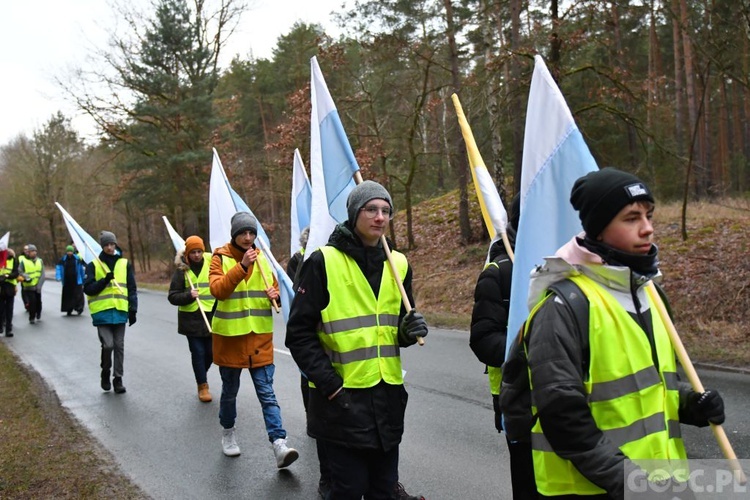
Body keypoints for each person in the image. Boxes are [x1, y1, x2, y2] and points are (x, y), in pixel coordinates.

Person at [524, 168, 725, 499]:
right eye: (632, 218)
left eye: (649, 215)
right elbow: (564, 420)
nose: (647, 228)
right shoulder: (563, 306)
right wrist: (634, 485)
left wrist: (691, 404)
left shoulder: (650, 294)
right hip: (595, 490)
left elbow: (654, 386)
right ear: (599, 230)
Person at [286, 180, 428, 500]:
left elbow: (392, 331)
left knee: (384, 490)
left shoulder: (399, 263)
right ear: (354, 214)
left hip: (387, 401)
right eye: (371, 210)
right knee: (348, 490)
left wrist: (408, 331)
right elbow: (298, 334)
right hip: (341, 403)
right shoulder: (322, 262)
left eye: (386, 211)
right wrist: (331, 385)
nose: (380, 217)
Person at [209, 211, 299, 468]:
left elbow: (272, 296)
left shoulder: (264, 260)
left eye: (252, 233)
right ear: (234, 235)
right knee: (229, 393)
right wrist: (242, 266)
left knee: (267, 394)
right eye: (243, 233)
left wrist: (276, 295)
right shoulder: (219, 258)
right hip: (230, 339)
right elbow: (219, 291)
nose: (248, 238)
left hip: (259, 338)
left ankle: (279, 444)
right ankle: (228, 433)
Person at [469, 196, 537, 500]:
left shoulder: (577, 269)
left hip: (577, 402)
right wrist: (535, 354)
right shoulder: (500, 273)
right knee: (530, 486)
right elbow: (484, 339)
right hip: (519, 401)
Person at [83, 231, 138, 394]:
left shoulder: (124, 264)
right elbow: (88, 289)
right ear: (102, 246)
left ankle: (118, 379)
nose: (109, 247)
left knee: (119, 346)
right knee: (108, 345)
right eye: (106, 245)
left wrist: (133, 309)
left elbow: (132, 288)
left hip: (120, 311)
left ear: (115, 245)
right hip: (102, 313)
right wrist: (104, 280)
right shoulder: (94, 265)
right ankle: (105, 371)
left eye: (112, 244)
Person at [168, 235, 215, 402]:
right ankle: (202, 385)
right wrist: (189, 295)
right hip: (191, 320)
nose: (196, 255)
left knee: (211, 353)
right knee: (198, 352)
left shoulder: (211, 263)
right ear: (187, 253)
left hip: (210, 316)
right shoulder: (182, 270)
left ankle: (201, 372)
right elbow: (172, 296)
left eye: (199, 251)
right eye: (193, 252)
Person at [56, 245, 86, 316]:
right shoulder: (63, 260)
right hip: (67, 281)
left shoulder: (77, 259)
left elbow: (81, 269)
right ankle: (68, 309)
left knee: (78, 295)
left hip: (76, 280)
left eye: (71, 251)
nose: (69, 253)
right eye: (68, 251)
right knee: (68, 296)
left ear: (73, 252)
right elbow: (58, 268)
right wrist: (58, 276)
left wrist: (83, 278)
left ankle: (79, 308)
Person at [18, 244, 44, 324]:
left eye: (35, 251)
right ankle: (32, 317)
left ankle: (38, 313)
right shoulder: (24, 262)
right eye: (32, 251)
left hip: (37, 286)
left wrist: (39, 285)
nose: (34, 253)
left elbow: (42, 274)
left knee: (38, 301)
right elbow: (20, 271)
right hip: (29, 286)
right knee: (32, 302)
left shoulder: (40, 261)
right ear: (28, 252)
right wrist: (26, 277)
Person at [0, 246, 19, 337]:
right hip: (1, 286)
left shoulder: (14, 260)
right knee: (1, 309)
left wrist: (7, 276)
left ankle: (8, 329)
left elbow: (16, 273)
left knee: (9, 309)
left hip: (10, 287)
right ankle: (0, 327)